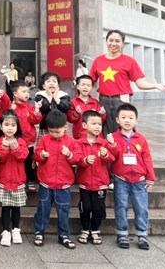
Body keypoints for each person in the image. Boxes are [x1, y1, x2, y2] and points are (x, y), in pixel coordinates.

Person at [89, 30, 165, 137]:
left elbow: (139, 83)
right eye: (111, 40)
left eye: (117, 41)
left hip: (121, 101)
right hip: (104, 101)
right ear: (106, 41)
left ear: (122, 43)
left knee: (124, 130)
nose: (113, 43)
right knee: (104, 131)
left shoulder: (129, 61)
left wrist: (155, 85)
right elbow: (90, 82)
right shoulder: (98, 61)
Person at [106, 103, 155, 251]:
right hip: (121, 179)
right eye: (123, 117)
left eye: (131, 118)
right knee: (121, 206)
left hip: (139, 180)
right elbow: (111, 158)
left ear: (136, 121)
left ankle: (142, 234)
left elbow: (147, 159)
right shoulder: (113, 137)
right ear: (117, 120)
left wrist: (150, 177)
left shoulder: (141, 139)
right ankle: (122, 234)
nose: (127, 120)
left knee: (141, 208)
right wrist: (112, 145)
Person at [33, 109, 82, 249]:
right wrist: (41, 155)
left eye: (57, 132)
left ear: (65, 127)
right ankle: (39, 232)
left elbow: (77, 158)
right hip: (46, 182)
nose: (54, 134)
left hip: (63, 183)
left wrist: (70, 154)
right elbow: (36, 154)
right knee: (43, 209)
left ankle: (64, 234)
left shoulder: (71, 142)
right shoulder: (44, 139)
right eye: (51, 131)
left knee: (63, 211)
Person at [76, 110, 114, 246]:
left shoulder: (104, 143)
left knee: (98, 208)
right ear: (84, 125)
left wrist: (105, 155)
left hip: (100, 182)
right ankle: (85, 229)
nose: (98, 126)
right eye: (94, 124)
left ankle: (95, 229)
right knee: (85, 207)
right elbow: (76, 159)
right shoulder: (79, 143)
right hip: (85, 182)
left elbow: (112, 158)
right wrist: (85, 160)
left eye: (99, 124)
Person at [0, 110, 28, 247]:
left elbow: (22, 156)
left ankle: (16, 230)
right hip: (4, 180)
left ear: (17, 127)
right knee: (6, 207)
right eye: (6, 124)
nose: (10, 127)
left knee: (16, 208)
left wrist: (16, 148)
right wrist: (5, 148)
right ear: (1, 127)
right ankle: (6, 231)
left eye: (13, 125)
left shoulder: (21, 142)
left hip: (18, 180)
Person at [11, 80, 42, 191]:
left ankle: (30, 180)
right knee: (17, 162)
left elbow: (35, 120)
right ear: (15, 93)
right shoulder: (11, 107)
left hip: (29, 141)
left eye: (27, 92)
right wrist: (10, 110)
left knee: (30, 162)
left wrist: (37, 110)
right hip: (15, 141)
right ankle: (18, 180)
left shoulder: (29, 107)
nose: (27, 94)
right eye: (23, 91)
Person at [67, 75, 106, 140]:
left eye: (88, 86)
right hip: (80, 137)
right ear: (78, 86)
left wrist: (102, 114)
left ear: (91, 88)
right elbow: (70, 119)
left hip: (95, 136)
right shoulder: (73, 102)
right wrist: (76, 113)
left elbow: (102, 120)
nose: (85, 87)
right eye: (83, 85)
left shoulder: (95, 102)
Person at [34, 72, 71, 137]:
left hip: (60, 127)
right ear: (43, 86)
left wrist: (56, 98)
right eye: (48, 81)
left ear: (58, 86)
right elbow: (43, 108)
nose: (51, 83)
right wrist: (49, 97)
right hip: (45, 127)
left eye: (54, 81)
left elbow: (66, 108)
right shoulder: (40, 96)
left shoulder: (63, 95)